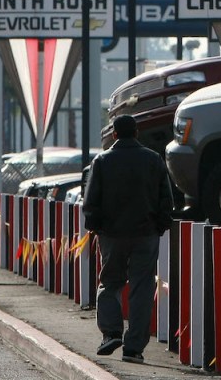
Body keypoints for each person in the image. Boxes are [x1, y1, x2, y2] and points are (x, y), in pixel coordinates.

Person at [82, 114, 173, 364]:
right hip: (145, 234)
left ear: (114, 134)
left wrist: (95, 226)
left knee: (110, 283)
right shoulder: (153, 159)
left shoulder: (102, 161)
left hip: (112, 234)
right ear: (136, 133)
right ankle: (134, 348)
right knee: (142, 289)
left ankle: (111, 332)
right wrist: (161, 225)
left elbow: (91, 202)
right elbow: (166, 198)